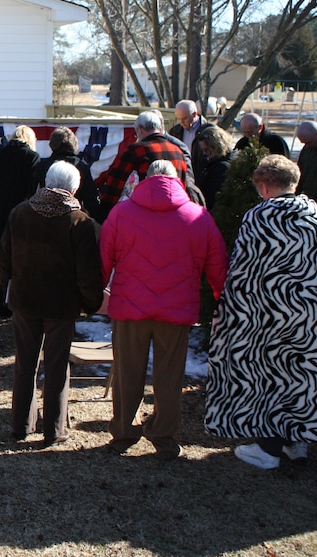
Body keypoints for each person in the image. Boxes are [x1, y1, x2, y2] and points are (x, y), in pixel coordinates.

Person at [100, 159, 227, 459]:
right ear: (177, 180)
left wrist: (95, 294)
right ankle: (164, 435)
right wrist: (221, 296)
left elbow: (103, 259)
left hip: (130, 306)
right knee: (170, 376)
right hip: (177, 309)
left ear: (147, 178)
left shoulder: (121, 213)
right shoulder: (199, 216)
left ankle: (122, 432)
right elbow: (218, 265)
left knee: (127, 373)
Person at [205, 155, 317, 469]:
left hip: (268, 314)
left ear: (265, 186)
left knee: (268, 375)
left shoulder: (260, 217)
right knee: (300, 375)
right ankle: (297, 444)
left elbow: (242, 271)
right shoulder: (314, 215)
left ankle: (268, 448)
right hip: (308, 315)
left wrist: (228, 311)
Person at [0, 161, 103, 446]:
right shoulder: (79, 222)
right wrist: (92, 303)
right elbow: (87, 272)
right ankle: (54, 430)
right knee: (57, 366)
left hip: (24, 299)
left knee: (25, 365)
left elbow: (4, 259)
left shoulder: (19, 213)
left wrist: (7, 291)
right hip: (61, 304)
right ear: (73, 188)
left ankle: (21, 425)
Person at [97, 109, 200, 217]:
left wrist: (105, 210)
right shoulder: (178, 151)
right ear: (159, 128)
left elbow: (116, 182)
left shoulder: (135, 151)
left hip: (143, 213)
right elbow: (183, 184)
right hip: (173, 212)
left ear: (140, 130)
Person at [0, 125, 40, 318]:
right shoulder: (32, 158)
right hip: (23, 213)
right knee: (20, 258)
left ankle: (0, 301)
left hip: (2, 211)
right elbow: (32, 190)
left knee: (0, 256)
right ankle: (18, 301)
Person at [32, 127, 100, 217]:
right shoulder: (82, 167)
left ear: (52, 144)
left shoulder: (42, 165)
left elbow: (33, 194)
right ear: (74, 144)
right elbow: (91, 201)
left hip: (44, 216)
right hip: (72, 217)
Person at [168, 99, 214, 179]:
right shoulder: (175, 131)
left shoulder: (209, 130)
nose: (181, 122)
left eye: (184, 118)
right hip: (182, 174)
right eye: (179, 119)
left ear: (194, 114)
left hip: (203, 175)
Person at [194, 125, 235, 211]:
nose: (204, 153)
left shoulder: (222, 167)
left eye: (207, 150)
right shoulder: (216, 161)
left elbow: (213, 196)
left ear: (216, 146)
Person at [295, 120, 317, 199]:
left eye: (309, 142)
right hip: (309, 198)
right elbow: (299, 172)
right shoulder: (306, 150)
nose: (307, 146)